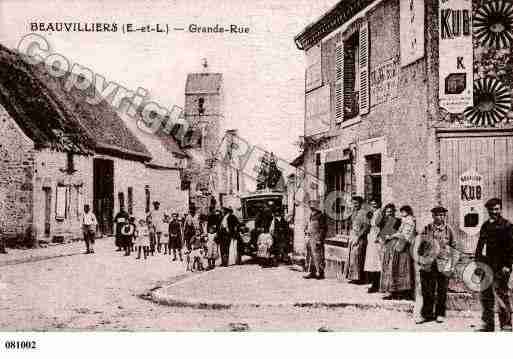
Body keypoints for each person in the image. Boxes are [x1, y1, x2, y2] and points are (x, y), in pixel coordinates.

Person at [416, 206, 462, 324]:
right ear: (433, 216)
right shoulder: (427, 228)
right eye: (437, 215)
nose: (440, 217)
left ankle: (440, 314)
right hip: (428, 264)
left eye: (442, 215)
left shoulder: (449, 230)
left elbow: (455, 247)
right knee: (427, 290)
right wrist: (421, 260)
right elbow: (420, 246)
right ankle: (426, 314)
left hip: (443, 264)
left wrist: (452, 264)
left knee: (442, 290)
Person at [475, 198, 513, 332]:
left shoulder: (507, 225)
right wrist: (478, 264)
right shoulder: (485, 226)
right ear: (488, 210)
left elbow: (510, 249)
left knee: (502, 295)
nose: (494, 212)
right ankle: (488, 325)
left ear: (500, 209)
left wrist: (508, 266)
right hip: (486, 265)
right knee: (486, 296)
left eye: (496, 209)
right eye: (491, 209)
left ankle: (507, 325)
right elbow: (480, 246)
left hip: (501, 267)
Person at [381, 205, 416, 300]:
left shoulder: (409, 221)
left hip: (403, 247)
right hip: (399, 246)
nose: (402, 214)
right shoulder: (405, 220)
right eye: (401, 212)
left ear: (407, 212)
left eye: (403, 212)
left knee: (402, 270)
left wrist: (392, 236)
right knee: (397, 269)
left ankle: (401, 292)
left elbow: (405, 235)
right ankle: (396, 291)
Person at [344, 196, 370, 284]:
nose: (355, 205)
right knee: (352, 257)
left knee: (358, 256)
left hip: (360, 237)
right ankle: (353, 277)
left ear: (361, 204)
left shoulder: (364, 213)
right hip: (353, 236)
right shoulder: (353, 213)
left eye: (356, 203)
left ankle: (359, 278)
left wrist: (358, 237)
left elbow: (366, 227)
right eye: (353, 203)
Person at [304, 199, 327, 279]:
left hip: (316, 237)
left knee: (318, 256)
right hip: (310, 237)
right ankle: (311, 271)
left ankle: (320, 272)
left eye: (313, 206)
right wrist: (306, 232)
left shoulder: (321, 216)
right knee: (310, 255)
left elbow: (323, 229)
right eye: (311, 206)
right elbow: (308, 226)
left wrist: (320, 239)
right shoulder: (311, 215)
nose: (312, 207)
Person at [364, 199, 382, 292]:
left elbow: (378, 226)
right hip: (371, 238)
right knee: (372, 261)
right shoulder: (373, 213)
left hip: (376, 239)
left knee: (376, 262)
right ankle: (373, 283)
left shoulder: (379, 213)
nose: (373, 206)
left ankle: (376, 284)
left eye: (375, 204)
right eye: (372, 204)